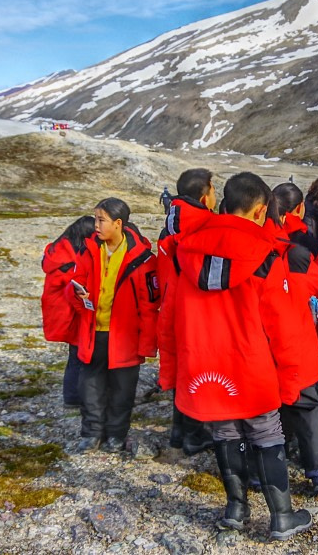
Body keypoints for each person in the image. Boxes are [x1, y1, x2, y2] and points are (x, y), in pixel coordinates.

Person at [166, 172, 312, 540]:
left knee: (225, 432)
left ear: (224, 203)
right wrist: (293, 378)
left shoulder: (184, 252)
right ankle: (281, 516)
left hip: (204, 366)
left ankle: (235, 508)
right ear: (261, 210)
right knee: (265, 432)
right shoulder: (265, 254)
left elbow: (168, 319)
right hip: (252, 365)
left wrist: (170, 372)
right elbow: (283, 326)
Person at [266, 184, 318, 495]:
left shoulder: (260, 241)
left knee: (271, 403)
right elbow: (314, 284)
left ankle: (263, 468)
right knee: (308, 398)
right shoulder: (299, 249)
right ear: (297, 209)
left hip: (259, 335)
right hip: (294, 332)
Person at [68, 198, 159, 453]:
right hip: (92, 332)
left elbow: (150, 306)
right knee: (90, 387)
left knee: (122, 390)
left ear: (118, 223)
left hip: (125, 336)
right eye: (95, 219)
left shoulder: (142, 260)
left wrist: (147, 345)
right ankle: (91, 433)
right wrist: (75, 295)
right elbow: (72, 283)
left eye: (101, 220)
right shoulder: (87, 251)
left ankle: (116, 435)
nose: (95, 225)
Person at [156, 168, 217, 456]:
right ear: (205, 197)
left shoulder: (171, 222)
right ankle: (194, 434)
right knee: (197, 367)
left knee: (181, 366)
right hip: (195, 306)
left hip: (171, 303)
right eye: (214, 190)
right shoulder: (205, 225)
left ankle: (180, 434)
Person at [41, 215, 95, 408]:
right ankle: (74, 397)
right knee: (78, 355)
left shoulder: (59, 251)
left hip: (59, 312)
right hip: (69, 314)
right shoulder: (70, 261)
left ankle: (73, 395)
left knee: (76, 355)